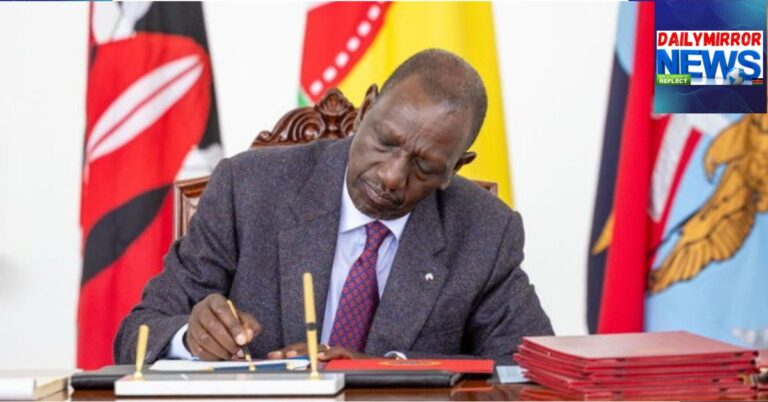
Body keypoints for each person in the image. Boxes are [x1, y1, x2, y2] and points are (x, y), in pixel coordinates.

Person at [114, 49, 552, 365]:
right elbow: (139, 333)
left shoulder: (485, 231)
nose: (391, 177)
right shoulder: (246, 190)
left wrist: (382, 368)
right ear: (364, 112)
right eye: (386, 143)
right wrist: (191, 338)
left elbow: (526, 365)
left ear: (455, 168)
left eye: (424, 166)